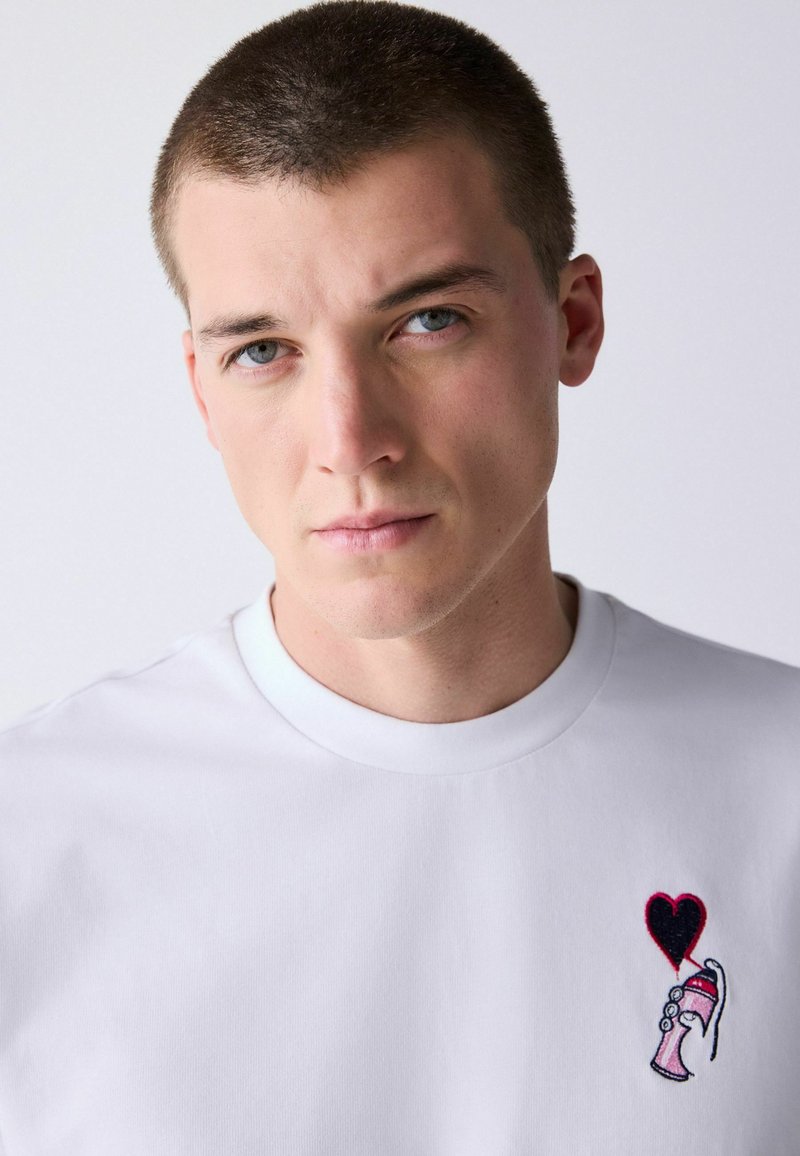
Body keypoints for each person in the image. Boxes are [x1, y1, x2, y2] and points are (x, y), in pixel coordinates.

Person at [1, 2, 798, 1152]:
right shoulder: (31, 839)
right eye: (262, 350)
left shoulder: (778, 791)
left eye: (427, 321)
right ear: (200, 389)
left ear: (572, 322)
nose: (350, 440)